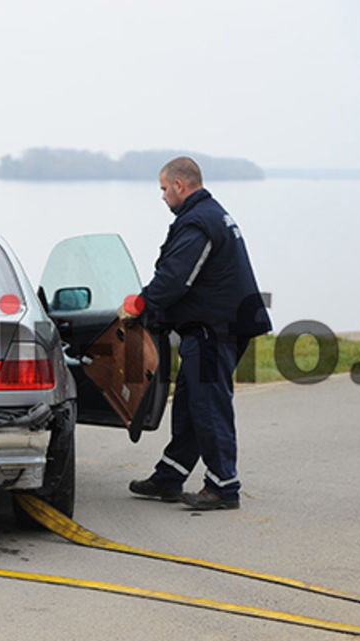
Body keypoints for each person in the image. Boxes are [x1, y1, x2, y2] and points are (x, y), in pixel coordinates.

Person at [122, 157, 271, 510]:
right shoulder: (210, 215)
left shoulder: (198, 223)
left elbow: (175, 278)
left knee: (208, 404)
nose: (162, 196)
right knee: (190, 404)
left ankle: (224, 486)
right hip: (215, 325)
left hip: (213, 330)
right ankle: (169, 477)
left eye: (163, 188)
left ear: (179, 185)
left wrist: (141, 305)